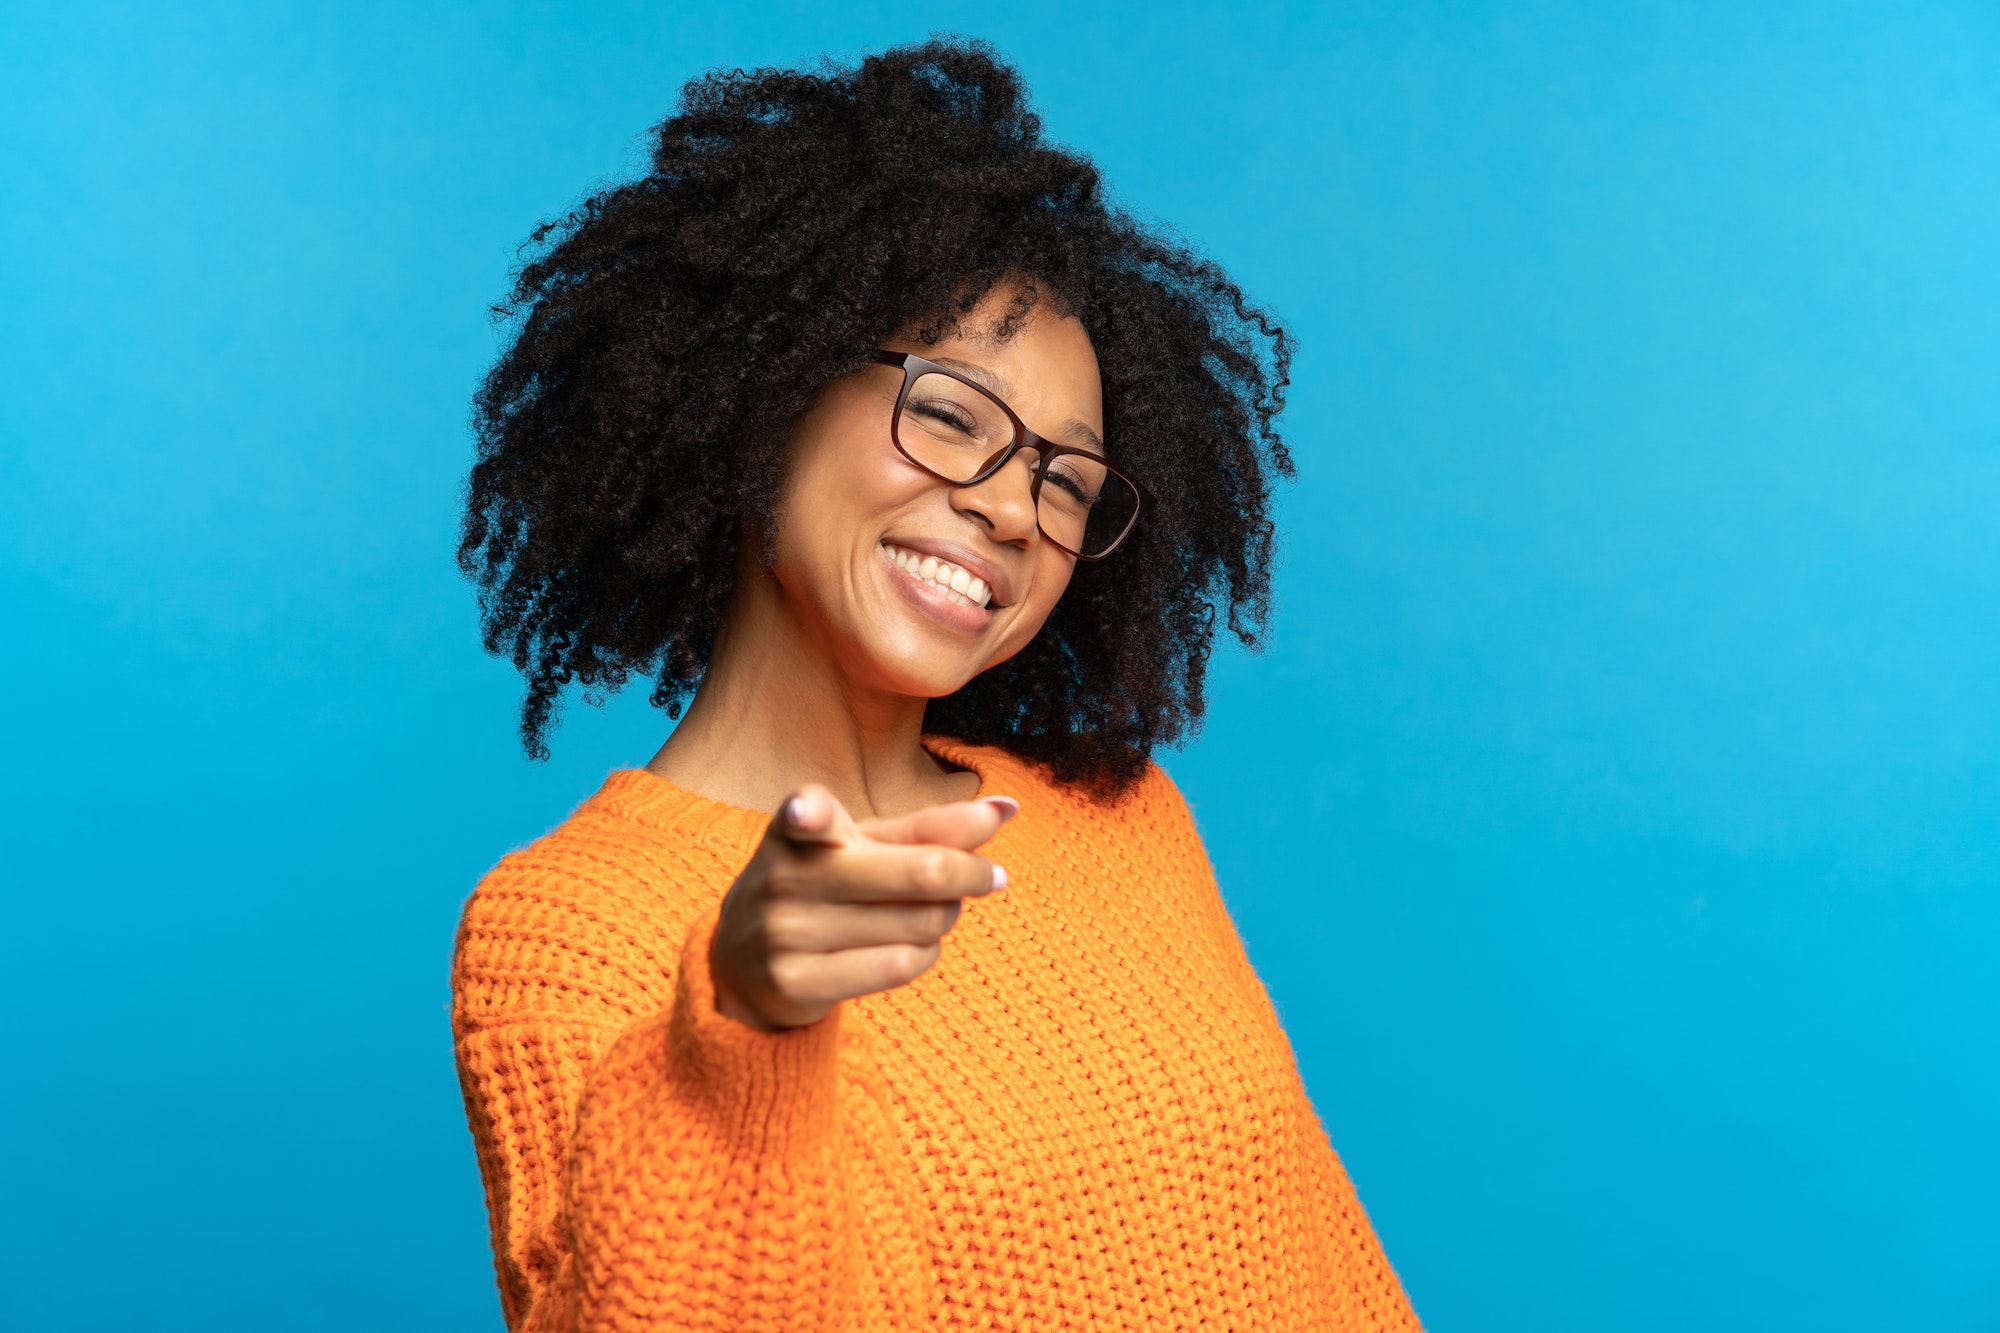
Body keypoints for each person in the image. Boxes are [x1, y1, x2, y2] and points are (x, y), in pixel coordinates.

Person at [451, 39, 1420, 1332]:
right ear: (767, 392)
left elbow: (1324, 1266)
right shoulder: (566, 930)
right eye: (954, 414)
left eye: (1065, 481)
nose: (1013, 506)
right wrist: (743, 1031)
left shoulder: (1119, 818)